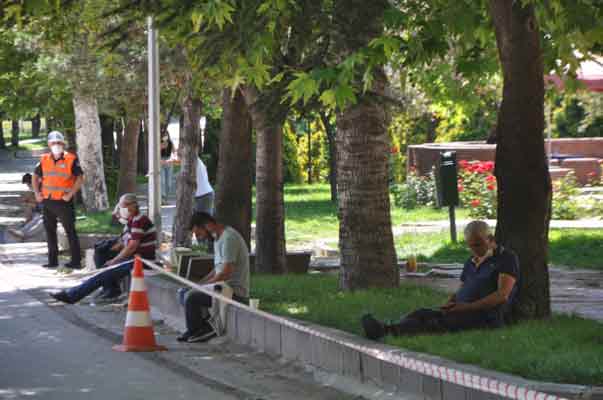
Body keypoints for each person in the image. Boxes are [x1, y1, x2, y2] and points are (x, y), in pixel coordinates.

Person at [362, 221, 520, 340]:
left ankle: (388, 331)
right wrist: (451, 302)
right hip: (463, 309)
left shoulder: (505, 258)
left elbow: (502, 295)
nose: (474, 250)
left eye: (478, 244)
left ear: (490, 239)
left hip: (484, 316)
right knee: (422, 312)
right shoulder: (471, 261)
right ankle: (388, 328)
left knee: (436, 323)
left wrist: (467, 307)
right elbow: (463, 287)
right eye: (470, 246)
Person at [49, 193, 157, 304]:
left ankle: (71, 296)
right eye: (121, 206)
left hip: (141, 261)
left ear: (134, 205)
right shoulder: (132, 220)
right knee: (102, 255)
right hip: (134, 258)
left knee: (103, 274)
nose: (123, 209)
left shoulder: (139, 221)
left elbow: (132, 246)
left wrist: (115, 261)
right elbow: (126, 242)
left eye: (125, 206)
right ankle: (107, 290)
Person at [176, 212, 249, 343]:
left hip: (233, 290)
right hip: (220, 287)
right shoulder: (217, 238)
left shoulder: (229, 238)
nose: (199, 238)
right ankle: (201, 326)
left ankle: (199, 330)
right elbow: (217, 269)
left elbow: (226, 273)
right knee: (183, 292)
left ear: (207, 226)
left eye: (199, 233)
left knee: (192, 297)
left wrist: (201, 287)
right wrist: (199, 284)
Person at [32, 131, 84, 269]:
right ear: (49, 144)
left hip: (63, 201)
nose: (56, 145)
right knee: (50, 231)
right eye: (53, 143)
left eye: (59, 143)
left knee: (70, 231)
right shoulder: (44, 159)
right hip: (47, 200)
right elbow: (35, 176)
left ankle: (76, 262)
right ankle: (52, 261)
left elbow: (80, 178)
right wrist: (37, 193)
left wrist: (71, 194)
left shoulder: (71, 159)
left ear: (63, 144)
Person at [92, 203, 131, 269]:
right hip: (121, 242)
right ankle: (100, 271)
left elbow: (130, 244)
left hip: (124, 248)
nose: (118, 217)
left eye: (119, 215)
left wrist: (120, 245)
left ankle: (101, 272)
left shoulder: (134, 222)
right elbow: (124, 236)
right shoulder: (129, 222)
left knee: (100, 251)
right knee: (98, 246)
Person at [7, 173, 44, 240]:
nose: (29, 187)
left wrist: (33, 205)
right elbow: (37, 206)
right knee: (36, 218)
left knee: (41, 220)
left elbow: (44, 204)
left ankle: (25, 234)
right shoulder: (36, 191)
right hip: (43, 212)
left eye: (29, 185)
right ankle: (22, 232)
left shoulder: (43, 189)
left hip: (50, 213)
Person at [160, 135, 176, 202]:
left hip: (169, 162)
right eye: (164, 135)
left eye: (166, 135)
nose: (165, 137)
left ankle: (166, 198)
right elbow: (155, 152)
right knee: (162, 181)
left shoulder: (170, 142)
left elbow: (174, 152)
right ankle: (162, 197)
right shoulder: (159, 142)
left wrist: (172, 158)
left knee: (169, 183)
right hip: (161, 162)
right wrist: (161, 147)